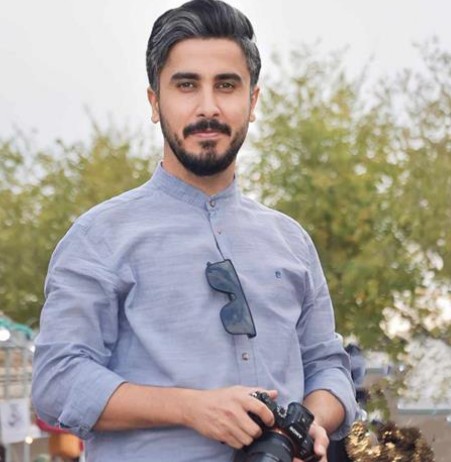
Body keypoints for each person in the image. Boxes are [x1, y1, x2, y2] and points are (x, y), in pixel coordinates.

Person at [31, 1, 358, 461]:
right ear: (154, 103)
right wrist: (191, 408)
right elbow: (57, 381)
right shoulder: (99, 238)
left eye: (227, 85)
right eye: (186, 85)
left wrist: (307, 426)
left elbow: (327, 366)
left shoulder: (291, 242)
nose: (208, 107)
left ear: (253, 101)